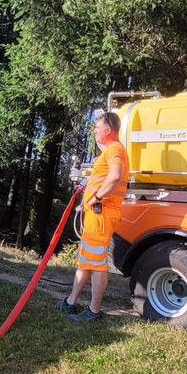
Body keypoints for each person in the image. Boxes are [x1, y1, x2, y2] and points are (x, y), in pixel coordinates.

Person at [58, 111, 128, 322]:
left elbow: (115, 175)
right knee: (86, 260)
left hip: (102, 214)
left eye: (97, 127)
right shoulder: (108, 151)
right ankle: (70, 302)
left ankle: (94, 311)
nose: (95, 131)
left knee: (96, 263)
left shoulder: (115, 149)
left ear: (108, 130)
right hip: (96, 215)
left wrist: (96, 196)